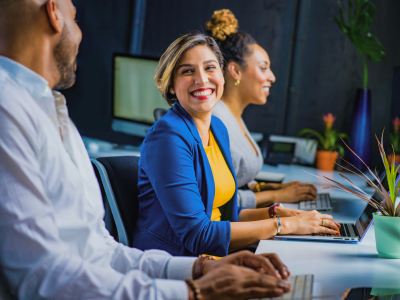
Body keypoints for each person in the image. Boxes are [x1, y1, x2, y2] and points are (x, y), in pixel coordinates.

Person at [0, 0, 293, 299]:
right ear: (53, 13)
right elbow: (41, 275)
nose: (81, 34)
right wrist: (191, 291)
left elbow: (101, 250)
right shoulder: (7, 111)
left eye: (209, 68)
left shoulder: (52, 111)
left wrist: (200, 271)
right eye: (75, 18)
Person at [132, 32, 339, 258]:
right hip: (176, 263)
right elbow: (197, 235)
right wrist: (284, 225)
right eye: (187, 71)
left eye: (210, 68)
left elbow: (226, 215)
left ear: (222, 75)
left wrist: (281, 214)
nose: (201, 79)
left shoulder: (218, 128)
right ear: (171, 85)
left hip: (216, 257)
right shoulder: (168, 136)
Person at [209, 9, 319, 209]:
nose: (272, 77)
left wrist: (271, 188)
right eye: (263, 67)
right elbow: (220, 202)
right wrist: (277, 195)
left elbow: (237, 182)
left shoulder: (233, 116)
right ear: (235, 71)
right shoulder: (217, 121)